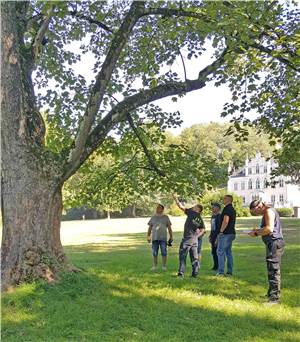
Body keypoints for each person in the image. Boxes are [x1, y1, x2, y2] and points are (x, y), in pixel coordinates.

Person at [248, 200, 285, 304]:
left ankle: (274, 299)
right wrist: (258, 230)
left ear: (259, 207)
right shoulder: (266, 212)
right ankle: (271, 293)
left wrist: (256, 233)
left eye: (255, 212)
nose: (256, 214)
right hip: (272, 243)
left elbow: (269, 229)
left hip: (274, 243)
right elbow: (266, 228)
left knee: (273, 270)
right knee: (271, 268)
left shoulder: (268, 212)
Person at [172, 194, 205, 278]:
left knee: (182, 256)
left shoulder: (191, 213)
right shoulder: (199, 218)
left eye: (195, 206)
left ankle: (181, 273)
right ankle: (195, 273)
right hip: (195, 241)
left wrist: (175, 198)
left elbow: (181, 207)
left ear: (198, 209)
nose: (193, 207)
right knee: (194, 257)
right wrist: (197, 236)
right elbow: (203, 229)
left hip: (187, 239)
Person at [147, 204, 173, 271]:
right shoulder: (153, 217)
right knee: (154, 253)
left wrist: (171, 236)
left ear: (162, 209)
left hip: (163, 238)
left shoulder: (166, 217)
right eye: (157, 208)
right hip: (154, 238)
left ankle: (164, 266)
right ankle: (155, 266)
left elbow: (169, 228)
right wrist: (148, 236)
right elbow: (149, 228)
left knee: (164, 252)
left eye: (159, 208)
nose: (157, 209)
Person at [216, 195, 236, 276]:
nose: (222, 200)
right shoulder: (232, 209)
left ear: (228, 200)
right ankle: (229, 271)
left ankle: (221, 272)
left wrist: (221, 231)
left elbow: (226, 221)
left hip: (226, 234)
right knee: (228, 252)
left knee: (220, 251)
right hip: (231, 233)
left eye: (224, 198)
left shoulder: (227, 209)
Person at [209, 203, 221, 271]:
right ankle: (215, 266)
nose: (212, 208)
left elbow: (219, 228)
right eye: (212, 207)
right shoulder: (213, 216)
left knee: (218, 251)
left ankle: (219, 266)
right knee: (213, 251)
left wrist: (217, 238)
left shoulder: (220, 216)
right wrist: (210, 235)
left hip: (218, 236)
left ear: (218, 208)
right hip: (213, 236)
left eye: (214, 207)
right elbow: (212, 227)